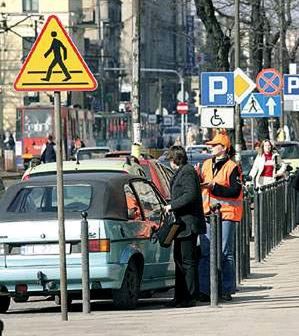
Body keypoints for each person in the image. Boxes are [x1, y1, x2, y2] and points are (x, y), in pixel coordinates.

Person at [198, 132, 243, 302]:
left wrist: (214, 187)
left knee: (225, 252)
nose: (210, 147)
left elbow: (235, 191)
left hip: (227, 214)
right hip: (208, 213)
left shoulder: (232, 167)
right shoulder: (205, 164)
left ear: (223, 148)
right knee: (206, 252)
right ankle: (205, 290)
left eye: (214, 145)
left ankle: (226, 289)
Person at [164, 145, 206, 308]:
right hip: (181, 224)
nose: (169, 163)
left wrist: (172, 205)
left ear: (176, 159)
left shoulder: (187, 171)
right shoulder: (182, 171)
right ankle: (179, 297)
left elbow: (191, 194)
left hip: (188, 224)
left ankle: (189, 297)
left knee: (187, 261)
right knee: (179, 260)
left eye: (170, 160)